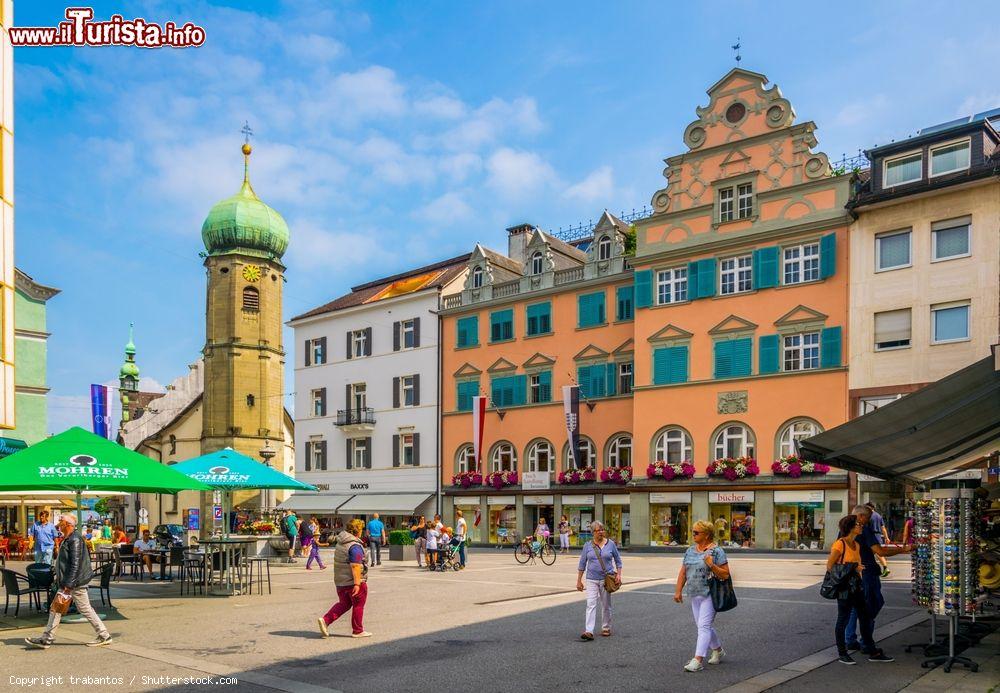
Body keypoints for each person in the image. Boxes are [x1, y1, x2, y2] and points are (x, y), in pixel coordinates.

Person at [24, 514, 112, 649]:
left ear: (69, 525)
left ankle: (104, 635)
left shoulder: (74, 539)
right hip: (70, 582)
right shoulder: (69, 538)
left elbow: (75, 564)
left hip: (74, 582)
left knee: (83, 608)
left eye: (62, 522)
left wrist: (68, 586)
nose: (59, 525)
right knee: (57, 608)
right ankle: (47, 638)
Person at [844, 504, 911, 654]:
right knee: (872, 605)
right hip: (867, 573)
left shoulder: (844, 529)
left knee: (855, 606)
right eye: (867, 518)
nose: (868, 522)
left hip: (852, 573)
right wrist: (904, 549)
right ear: (860, 517)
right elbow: (880, 551)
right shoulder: (862, 529)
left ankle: (850, 639)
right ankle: (867, 644)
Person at [828, 515, 886, 665]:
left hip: (857, 585)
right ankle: (843, 653)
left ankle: (871, 650)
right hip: (845, 587)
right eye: (859, 524)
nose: (861, 526)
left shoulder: (856, 545)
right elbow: (830, 566)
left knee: (865, 617)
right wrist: (854, 567)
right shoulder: (839, 544)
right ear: (851, 527)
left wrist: (857, 571)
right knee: (843, 620)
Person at [673, 520, 729, 672]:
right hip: (694, 593)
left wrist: (711, 564)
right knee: (703, 626)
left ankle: (697, 660)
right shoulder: (690, 550)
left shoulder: (717, 551)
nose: (693, 534)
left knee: (703, 626)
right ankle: (718, 650)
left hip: (710, 593)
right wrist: (678, 590)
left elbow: (725, 574)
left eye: (696, 532)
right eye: (693, 532)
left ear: (707, 535)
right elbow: (683, 571)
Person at [317, 519, 371, 639]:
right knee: (358, 605)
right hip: (353, 581)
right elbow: (356, 565)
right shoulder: (354, 545)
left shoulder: (341, 543)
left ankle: (325, 620)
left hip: (340, 581)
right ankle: (358, 630)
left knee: (344, 603)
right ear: (358, 530)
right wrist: (357, 584)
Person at [575, 520, 622, 641]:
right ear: (593, 533)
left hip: (606, 579)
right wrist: (579, 580)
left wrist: (619, 575)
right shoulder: (587, 546)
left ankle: (606, 627)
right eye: (598, 530)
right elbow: (582, 564)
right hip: (591, 579)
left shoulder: (610, 544)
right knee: (591, 604)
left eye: (602, 530)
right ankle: (589, 631)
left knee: (606, 605)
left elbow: (618, 561)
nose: (601, 532)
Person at [866, 502, 890, 577]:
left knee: (867, 554)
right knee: (878, 553)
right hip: (878, 536)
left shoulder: (868, 516)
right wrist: (886, 537)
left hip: (871, 536)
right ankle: (885, 568)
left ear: (870, 508)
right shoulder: (878, 516)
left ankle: (873, 570)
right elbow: (883, 528)